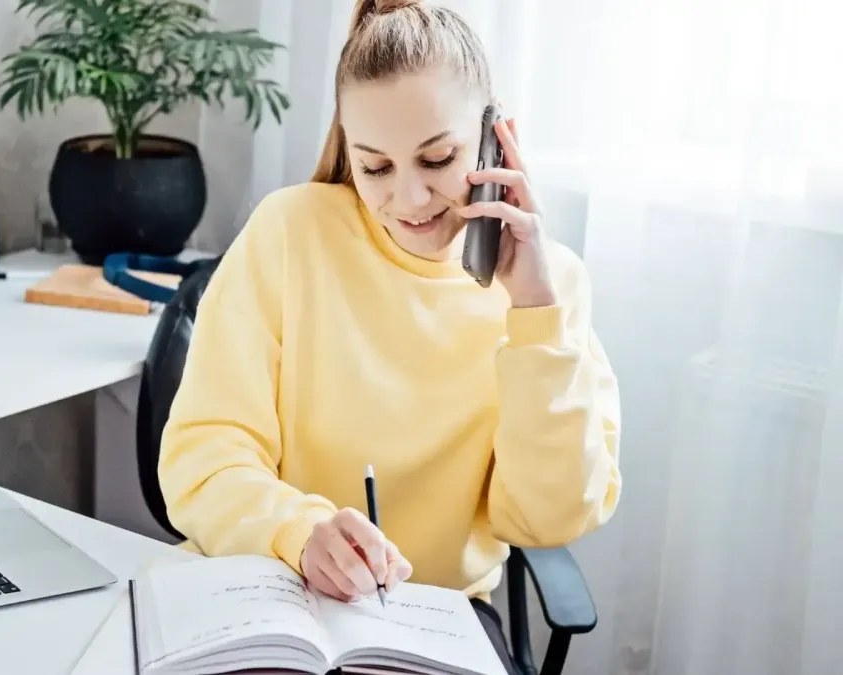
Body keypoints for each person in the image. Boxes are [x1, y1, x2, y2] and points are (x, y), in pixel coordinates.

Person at [157, 0, 622, 668]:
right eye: (375, 167)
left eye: (438, 158)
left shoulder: (553, 291)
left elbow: (547, 520)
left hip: (432, 628)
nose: (409, 199)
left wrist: (534, 316)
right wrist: (299, 529)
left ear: (498, 140)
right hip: (268, 595)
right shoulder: (290, 231)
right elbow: (203, 459)